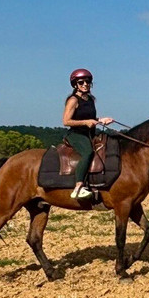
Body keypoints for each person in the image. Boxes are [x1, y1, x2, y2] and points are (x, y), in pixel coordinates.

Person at [62, 69, 114, 200]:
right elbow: (66, 121)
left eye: (88, 82)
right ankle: (78, 187)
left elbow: (90, 118)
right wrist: (86, 122)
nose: (85, 84)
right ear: (75, 85)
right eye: (81, 82)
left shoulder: (90, 99)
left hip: (90, 134)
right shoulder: (73, 100)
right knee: (88, 152)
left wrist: (101, 120)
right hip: (76, 134)